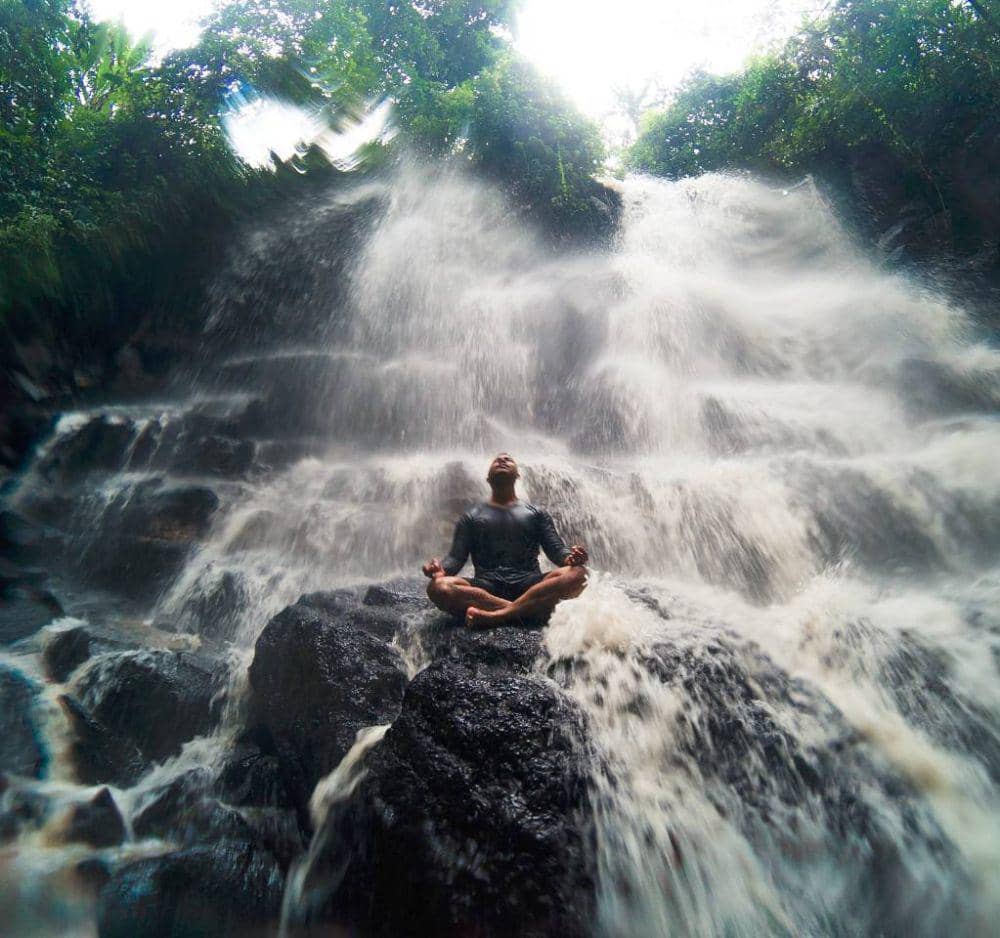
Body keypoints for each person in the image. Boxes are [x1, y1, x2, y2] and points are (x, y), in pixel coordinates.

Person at [422, 453, 588, 628]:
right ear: (488, 478)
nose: (502, 460)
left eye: (508, 459)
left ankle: (498, 615)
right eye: (497, 460)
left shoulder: (536, 513)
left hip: (530, 584)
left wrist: (571, 559)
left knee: (580, 573)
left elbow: (557, 550)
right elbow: (455, 559)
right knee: (438, 587)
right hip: (485, 588)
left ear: (517, 476)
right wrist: (439, 569)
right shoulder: (471, 517)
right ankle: (528, 611)